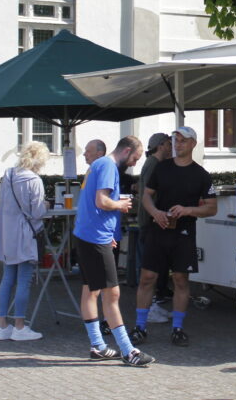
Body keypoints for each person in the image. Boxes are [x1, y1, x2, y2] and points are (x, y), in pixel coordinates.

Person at [73, 136, 154, 366]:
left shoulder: (98, 164)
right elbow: (102, 201)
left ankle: (98, 345)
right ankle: (128, 351)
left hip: (88, 235)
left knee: (91, 291)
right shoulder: (108, 165)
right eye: (135, 158)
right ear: (127, 150)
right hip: (95, 238)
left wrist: (109, 234)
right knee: (112, 294)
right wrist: (121, 205)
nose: (135, 163)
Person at [135, 127, 217, 347]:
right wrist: (155, 213)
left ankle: (178, 329)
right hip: (158, 230)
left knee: (180, 280)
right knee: (147, 278)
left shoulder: (201, 174)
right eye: (174, 140)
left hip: (184, 234)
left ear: (193, 144)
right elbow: (146, 196)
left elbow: (212, 208)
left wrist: (188, 210)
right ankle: (139, 327)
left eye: (182, 140)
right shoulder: (161, 168)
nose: (177, 144)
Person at [0, 141, 50, 342]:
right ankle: (19, 326)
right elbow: (37, 212)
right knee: (24, 280)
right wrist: (46, 205)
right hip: (25, 235)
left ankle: (2, 325)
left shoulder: (8, 175)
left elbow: (2, 202)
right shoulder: (34, 180)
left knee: (7, 279)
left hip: (7, 234)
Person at [134, 133, 172, 309]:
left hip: (153, 221)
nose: (172, 147)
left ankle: (158, 298)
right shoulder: (153, 164)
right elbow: (148, 195)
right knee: (151, 267)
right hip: (150, 222)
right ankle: (152, 305)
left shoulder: (156, 164)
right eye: (169, 144)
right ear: (161, 145)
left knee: (157, 264)